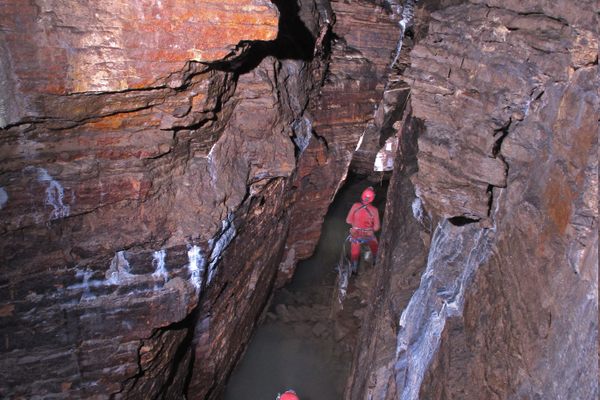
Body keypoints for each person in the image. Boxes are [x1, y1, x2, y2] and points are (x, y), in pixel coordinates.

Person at [345, 186, 380, 273]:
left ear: (362, 196)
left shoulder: (355, 206)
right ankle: (376, 262)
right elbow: (376, 227)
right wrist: (368, 228)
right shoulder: (374, 210)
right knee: (375, 247)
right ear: (372, 198)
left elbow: (348, 220)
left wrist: (356, 224)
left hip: (355, 234)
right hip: (368, 235)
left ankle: (354, 269)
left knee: (354, 252)